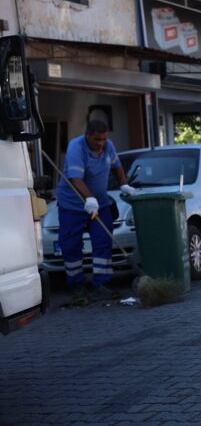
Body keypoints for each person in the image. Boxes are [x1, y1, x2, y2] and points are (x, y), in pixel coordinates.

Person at [55, 120, 135, 304]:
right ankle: (77, 287)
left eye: (104, 139)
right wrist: (89, 199)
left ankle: (101, 284)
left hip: (101, 204)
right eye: (97, 139)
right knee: (71, 245)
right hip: (72, 207)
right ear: (88, 135)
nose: (101, 143)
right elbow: (75, 178)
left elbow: (117, 166)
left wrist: (123, 183)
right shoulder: (76, 148)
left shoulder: (108, 145)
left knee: (103, 242)